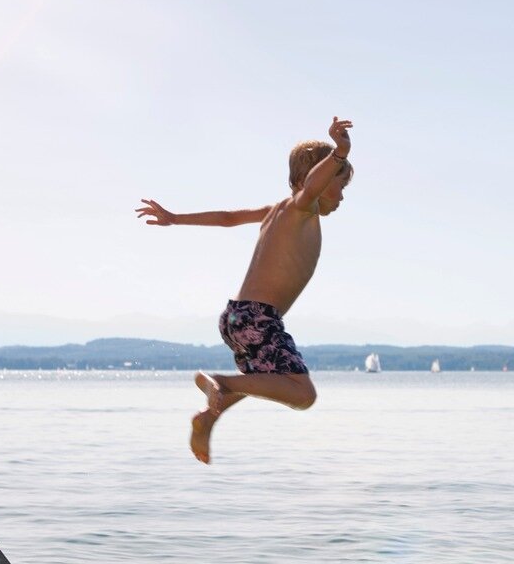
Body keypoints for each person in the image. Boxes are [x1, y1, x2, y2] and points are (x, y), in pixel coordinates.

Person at [135, 116, 354, 463]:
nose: (342, 196)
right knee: (303, 393)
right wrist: (339, 153)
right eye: (338, 185)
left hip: (237, 317)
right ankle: (219, 381)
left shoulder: (274, 211)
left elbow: (227, 217)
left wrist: (176, 218)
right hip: (259, 319)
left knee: (263, 380)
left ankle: (209, 415)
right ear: (313, 179)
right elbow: (313, 186)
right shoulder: (302, 207)